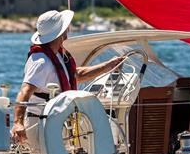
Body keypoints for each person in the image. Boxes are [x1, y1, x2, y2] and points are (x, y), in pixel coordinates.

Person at [10, 9, 123, 144]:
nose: (68, 29)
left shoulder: (57, 55)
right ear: (61, 32)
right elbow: (25, 91)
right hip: (40, 124)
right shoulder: (41, 61)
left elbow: (76, 75)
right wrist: (18, 123)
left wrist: (108, 66)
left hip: (54, 122)